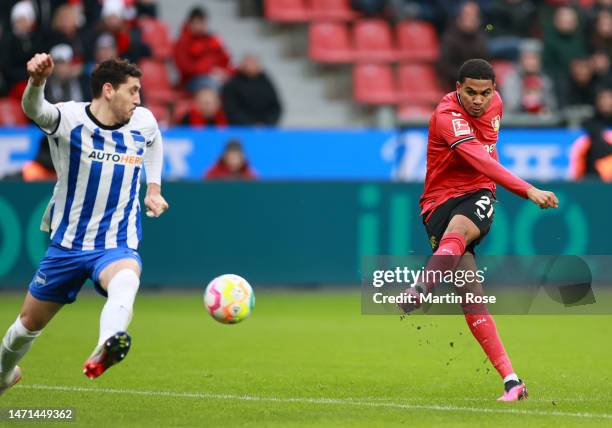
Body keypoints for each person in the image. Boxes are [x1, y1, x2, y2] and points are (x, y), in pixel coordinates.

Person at [0, 53, 169, 395]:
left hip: (115, 242)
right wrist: (37, 81)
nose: (138, 99)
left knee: (126, 278)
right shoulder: (70, 118)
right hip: (68, 245)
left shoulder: (143, 121)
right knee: (26, 326)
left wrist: (153, 188)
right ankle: (3, 374)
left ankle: (108, 344)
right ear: (108, 90)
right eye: (133, 91)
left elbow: (154, 143)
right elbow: (36, 110)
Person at [399, 59, 558, 402]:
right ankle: (513, 382)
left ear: (494, 92)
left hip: (479, 193)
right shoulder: (447, 116)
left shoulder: (496, 105)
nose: (479, 100)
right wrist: (528, 190)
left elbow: (485, 168)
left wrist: (518, 189)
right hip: (437, 203)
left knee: (460, 231)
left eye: (485, 93)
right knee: (471, 297)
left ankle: (421, 287)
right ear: (458, 89)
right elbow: (481, 157)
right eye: (470, 92)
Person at [174, 6, 233, 92]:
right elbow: (185, 67)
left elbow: (226, 60)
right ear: (189, 23)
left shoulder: (212, 39)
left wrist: (224, 73)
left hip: (215, 77)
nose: (199, 26)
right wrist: (210, 71)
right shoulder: (182, 42)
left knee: (236, 84)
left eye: (202, 23)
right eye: (196, 22)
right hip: (192, 81)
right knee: (214, 85)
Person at [436, 2, 490, 91]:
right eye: (466, 15)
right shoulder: (449, 38)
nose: (469, 19)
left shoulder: (481, 38)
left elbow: (486, 63)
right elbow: (444, 66)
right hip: (454, 83)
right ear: (459, 17)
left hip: (478, 83)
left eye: (473, 16)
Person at [222, 55, 282, 126]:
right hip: (241, 128)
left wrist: (267, 123)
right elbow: (231, 108)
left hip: (265, 128)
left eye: (253, 63)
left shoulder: (266, 82)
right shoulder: (232, 83)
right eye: (247, 63)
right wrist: (250, 124)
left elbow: (276, 106)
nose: (250, 66)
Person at [569, 80, 612, 180]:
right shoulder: (590, 125)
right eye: (603, 98)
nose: (606, 102)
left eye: (609, 97)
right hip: (595, 177)